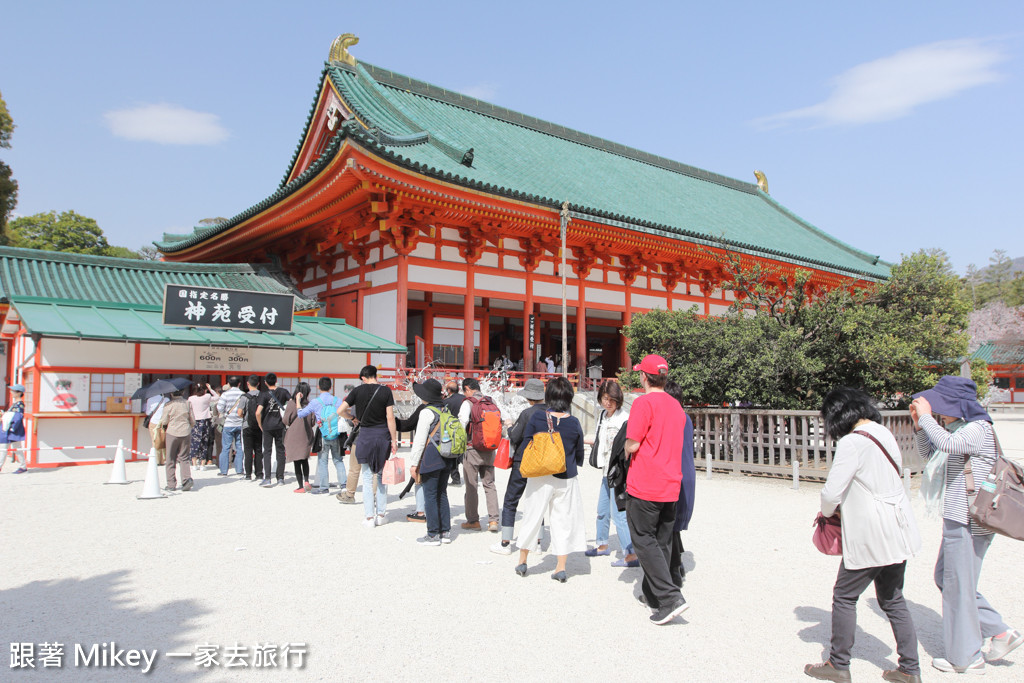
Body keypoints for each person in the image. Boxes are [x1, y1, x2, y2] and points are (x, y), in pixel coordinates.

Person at [804, 387, 923, 683]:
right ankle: (910, 668)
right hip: (897, 525)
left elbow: (832, 491)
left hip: (871, 531)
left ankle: (838, 663)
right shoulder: (883, 432)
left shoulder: (852, 443)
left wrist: (827, 511)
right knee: (893, 598)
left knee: (844, 595)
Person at [910, 375, 1022, 674]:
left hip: (970, 521)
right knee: (949, 579)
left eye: (942, 406)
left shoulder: (978, 429)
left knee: (957, 585)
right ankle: (999, 631)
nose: (939, 412)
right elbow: (929, 453)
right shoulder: (959, 428)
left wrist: (926, 417)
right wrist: (921, 426)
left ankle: (966, 657)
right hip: (959, 518)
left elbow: (947, 444)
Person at [623, 354, 688, 625]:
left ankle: (670, 596)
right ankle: (653, 595)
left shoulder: (643, 403)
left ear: (644, 377)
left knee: (643, 538)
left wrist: (625, 450)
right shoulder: (676, 406)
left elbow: (633, 443)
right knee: (662, 540)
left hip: (645, 482)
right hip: (671, 482)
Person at [513, 376, 586, 582]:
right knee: (563, 521)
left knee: (532, 516)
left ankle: (522, 560)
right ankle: (560, 567)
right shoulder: (574, 422)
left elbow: (527, 443)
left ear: (549, 397)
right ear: (569, 398)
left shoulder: (537, 418)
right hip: (566, 477)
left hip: (540, 476)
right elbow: (579, 453)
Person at [583, 380, 636, 566]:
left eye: (612, 399)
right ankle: (602, 544)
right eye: (605, 398)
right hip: (606, 470)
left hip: (619, 471)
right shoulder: (602, 417)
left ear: (618, 399)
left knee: (619, 512)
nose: (608, 403)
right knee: (602, 509)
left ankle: (630, 553)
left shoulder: (625, 418)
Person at [338, 365, 398, 527]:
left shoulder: (357, 391)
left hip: (365, 435)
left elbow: (340, 410)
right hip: (382, 435)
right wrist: (394, 440)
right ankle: (381, 514)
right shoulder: (385, 391)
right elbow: (390, 417)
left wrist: (352, 417)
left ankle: (369, 517)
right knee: (380, 476)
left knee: (366, 476)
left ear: (364, 378)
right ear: (375, 375)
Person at [491, 377, 546, 555]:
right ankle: (537, 542)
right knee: (538, 500)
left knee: (511, 499)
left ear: (529, 397)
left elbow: (514, 436)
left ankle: (506, 543)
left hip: (523, 461)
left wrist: (509, 426)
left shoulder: (527, 413)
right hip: (543, 463)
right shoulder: (551, 413)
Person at [407, 379, 455, 545]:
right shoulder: (445, 409)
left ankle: (433, 534)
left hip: (431, 456)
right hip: (447, 455)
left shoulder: (427, 412)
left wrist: (414, 463)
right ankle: (445, 531)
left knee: (430, 494)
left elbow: (420, 440)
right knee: (442, 493)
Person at [664, 381, 696, 587]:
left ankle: (674, 571)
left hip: (675, 473)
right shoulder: (686, 418)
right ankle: (677, 565)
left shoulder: (673, 419)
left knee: (668, 524)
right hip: (687, 473)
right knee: (672, 525)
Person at [458, 378, 500, 532]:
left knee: (471, 485)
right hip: (489, 449)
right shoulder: (491, 401)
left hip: (472, 450)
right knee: (490, 485)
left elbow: (461, 425)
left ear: (468, 389)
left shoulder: (467, 403)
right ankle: (493, 520)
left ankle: (473, 520)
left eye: (464, 391)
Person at [297, 377, 350, 495]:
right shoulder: (337, 400)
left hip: (322, 434)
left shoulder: (315, 402)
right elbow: (345, 413)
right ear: (331, 387)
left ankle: (324, 488)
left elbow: (300, 414)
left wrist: (297, 401)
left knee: (322, 461)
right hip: (337, 433)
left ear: (318, 387)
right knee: (338, 460)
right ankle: (344, 486)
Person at [256, 373, 291, 487]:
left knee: (267, 451)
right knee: (281, 451)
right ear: (276, 381)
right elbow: (292, 404)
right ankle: (280, 478)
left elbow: (258, 412)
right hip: (280, 425)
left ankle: (267, 478)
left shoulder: (263, 394)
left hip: (267, 426)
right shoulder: (283, 391)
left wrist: (260, 424)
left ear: (265, 382)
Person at [284, 382, 316, 493]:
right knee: (304, 459)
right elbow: (313, 422)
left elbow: (286, 420)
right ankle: (307, 481)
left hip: (294, 435)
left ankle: (300, 486)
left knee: (296, 461)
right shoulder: (310, 404)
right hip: (306, 434)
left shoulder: (291, 403)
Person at [160, 389, 194, 491]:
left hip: (172, 431)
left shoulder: (169, 404)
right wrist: (189, 426)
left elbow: (164, 420)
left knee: (170, 458)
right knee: (184, 457)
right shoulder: (187, 403)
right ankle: (186, 479)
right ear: (183, 393)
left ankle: (171, 484)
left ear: (171, 393)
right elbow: (192, 419)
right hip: (185, 431)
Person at [217, 377, 246, 476]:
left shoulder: (225, 394)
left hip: (228, 423)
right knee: (239, 446)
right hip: (240, 423)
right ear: (239, 384)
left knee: (226, 447)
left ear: (229, 384)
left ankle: (224, 471)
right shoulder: (243, 394)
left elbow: (219, 408)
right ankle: (239, 470)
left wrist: (225, 412)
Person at [187, 382, 219, 469]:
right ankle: (202, 464)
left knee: (194, 442)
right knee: (204, 442)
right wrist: (210, 389)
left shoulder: (191, 398)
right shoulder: (207, 397)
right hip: (205, 421)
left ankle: (194, 463)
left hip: (195, 422)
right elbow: (217, 397)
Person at [0, 384, 28, 473]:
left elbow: (17, 418)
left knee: (6, 448)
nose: (11, 392)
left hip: (12, 430)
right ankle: (23, 466)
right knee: (15, 448)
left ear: (19, 393)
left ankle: (23, 466)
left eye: (13, 391)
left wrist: (12, 428)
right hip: (11, 429)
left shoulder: (19, 404)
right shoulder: (15, 404)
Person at [240, 375, 263, 481]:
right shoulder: (262, 396)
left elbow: (239, 412)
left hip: (247, 426)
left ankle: (248, 474)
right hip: (259, 426)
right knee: (258, 450)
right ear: (258, 384)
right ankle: (259, 474)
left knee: (248, 450)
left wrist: (244, 416)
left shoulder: (244, 397)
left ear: (248, 383)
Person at [443, 380, 465, 486]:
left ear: (448, 390)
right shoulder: (465, 399)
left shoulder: (447, 401)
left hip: (452, 430)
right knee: (464, 454)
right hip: (465, 429)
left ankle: (455, 478)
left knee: (453, 456)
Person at [145, 393, 169, 466]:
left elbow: (147, 412)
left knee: (154, 440)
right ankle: (162, 460)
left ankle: (156, 460)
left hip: (153, 422)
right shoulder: (166, 400)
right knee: (163, 441)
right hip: (163, 422)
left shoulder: (150, 399)